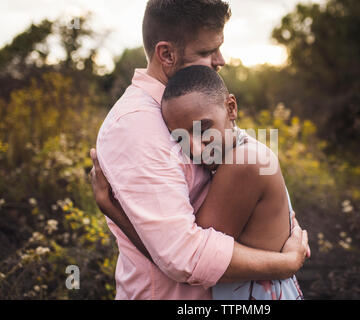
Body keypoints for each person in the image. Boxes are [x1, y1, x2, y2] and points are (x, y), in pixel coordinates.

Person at [90, 0, 310, 300]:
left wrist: (287, 224)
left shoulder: (193, 102)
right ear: (166, 53)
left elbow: (249, 159)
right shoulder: (136, 125)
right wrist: (285, 263)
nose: (220, 60)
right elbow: (183, 256)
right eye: (207, 52)